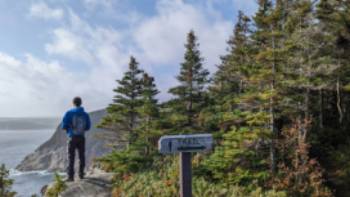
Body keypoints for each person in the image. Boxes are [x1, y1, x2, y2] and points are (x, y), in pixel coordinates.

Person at [62, 97, 91, 181]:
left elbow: (64, 126)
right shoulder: (85, 114)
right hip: (81, 137)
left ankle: (70, 177)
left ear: (73, 103)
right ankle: (81, 174)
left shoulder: (69, 113)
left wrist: (70, 129)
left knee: (71, 157)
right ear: (81, 103)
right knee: (81, 156)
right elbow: (88, 127)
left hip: (72, 137)